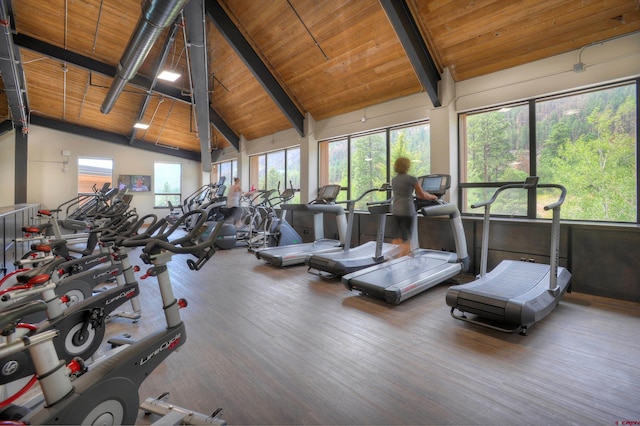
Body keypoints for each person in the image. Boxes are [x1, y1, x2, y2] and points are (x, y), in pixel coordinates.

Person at [391, 157, 438, 257]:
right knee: (407, 237)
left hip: (396, 209)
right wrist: (433, 197)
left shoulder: (394, 179)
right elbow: (422, 195)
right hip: (407, 210)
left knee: (398, 236)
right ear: (407, 166)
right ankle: (404, 257)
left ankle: (393, 256)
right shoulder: (411, 179)